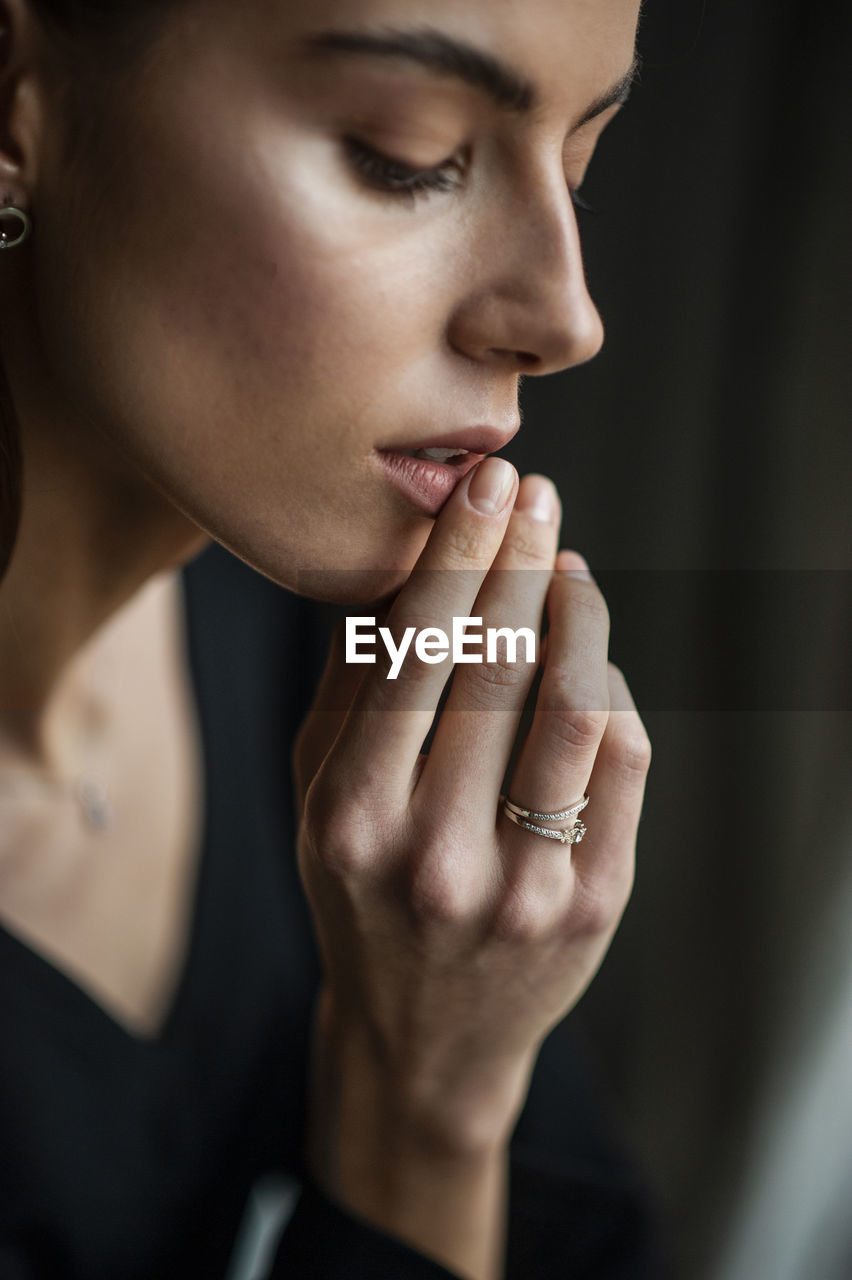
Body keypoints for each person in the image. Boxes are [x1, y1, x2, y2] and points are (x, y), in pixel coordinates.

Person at [0, 0, 656, 1277]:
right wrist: (426, 1110)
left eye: (582, 160)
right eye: (408, 155)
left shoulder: (345, 656)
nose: (567, 315)